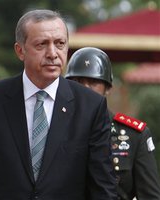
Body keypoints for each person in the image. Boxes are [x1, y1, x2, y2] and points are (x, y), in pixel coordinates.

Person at [0, 9, 117, 199]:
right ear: (20, 50)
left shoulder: (91, 106)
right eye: (42, 44)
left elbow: (103, 187)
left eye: (60, 44)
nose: (53, 53)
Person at [65, 47, 160, 200]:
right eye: (78, 82)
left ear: (108, 88)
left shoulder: (134, 135)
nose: (85, 89)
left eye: (94, 82)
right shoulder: (54, 127)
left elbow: (150, 196)